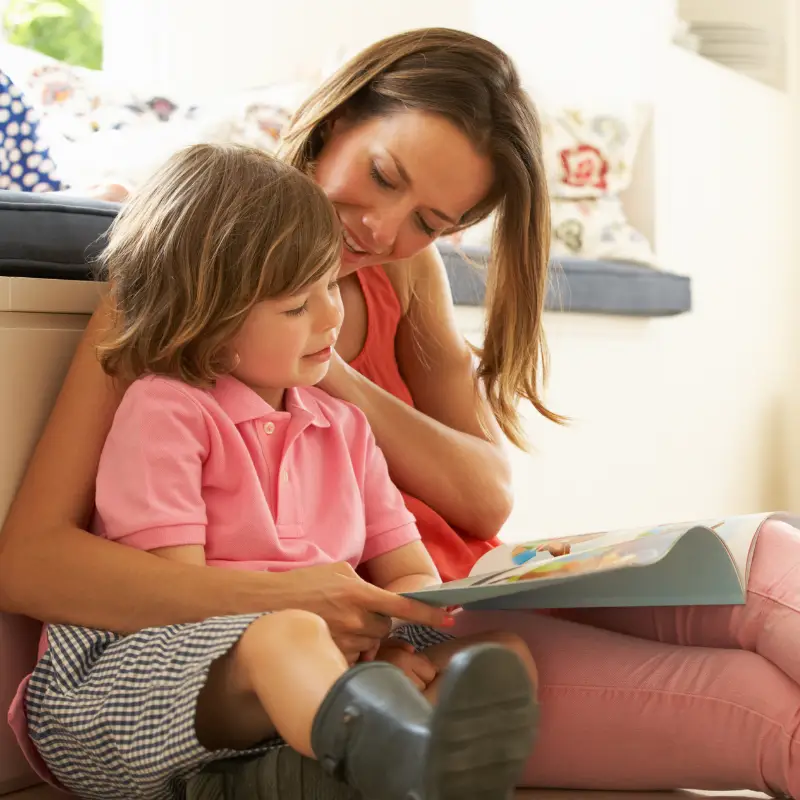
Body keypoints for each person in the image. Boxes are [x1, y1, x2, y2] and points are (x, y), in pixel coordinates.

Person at [2, 25, 800, 799]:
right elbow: (31, 560)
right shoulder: (195, 278)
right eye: (383, 175)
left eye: (431, 222)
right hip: (331, 643)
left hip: (447, 601)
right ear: (340, 115)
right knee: (764, 710)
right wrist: (304, 603)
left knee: (766, 557)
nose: (382, 230)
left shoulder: (397, 281)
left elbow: (485, 495)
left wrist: (333, 378)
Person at [9, 143, 539, 800]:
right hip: (145, 678)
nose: (331, 315)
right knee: (283, 638)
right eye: (297, 307)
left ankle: (329, 760)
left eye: (327, 286)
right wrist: (318, 631)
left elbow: (406, 571)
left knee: (498, 651)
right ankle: (392, 752)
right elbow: (178, 596)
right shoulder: (168, 410)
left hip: (308, 667)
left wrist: (398, 632)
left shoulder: (345, 426)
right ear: (208, 322)